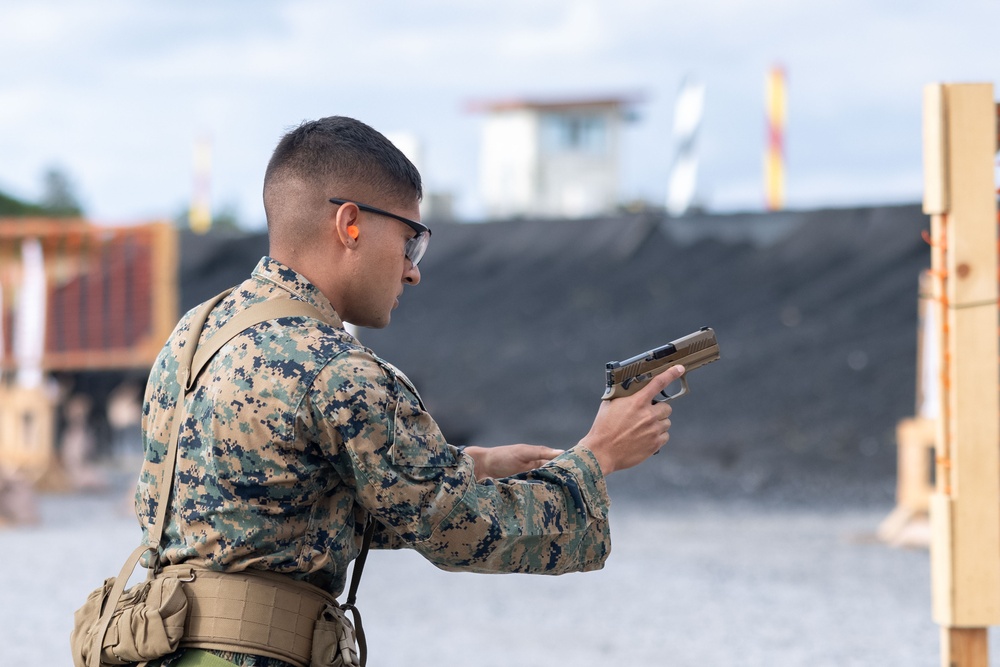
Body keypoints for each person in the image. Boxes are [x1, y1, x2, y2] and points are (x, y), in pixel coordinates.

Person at [136, 115, 683, 667]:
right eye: (409, 241)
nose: (412, 271)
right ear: (350, 225)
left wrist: (474, 464)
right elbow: (460, 528)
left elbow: (275, 509)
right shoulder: (336, 370)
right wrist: (598, 456)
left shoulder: (197, 333)